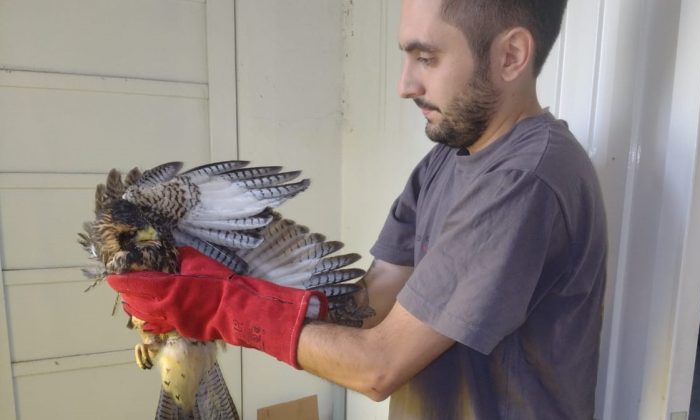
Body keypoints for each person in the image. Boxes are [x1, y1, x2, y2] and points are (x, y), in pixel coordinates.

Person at [108, 0, 607, 418]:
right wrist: (231, 278)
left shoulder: (525, 181)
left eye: (426, 58)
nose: (405, 84)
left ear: (511, 55)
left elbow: (377, 365)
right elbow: (366, 310)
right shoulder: (446, 162)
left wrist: (223, 307)